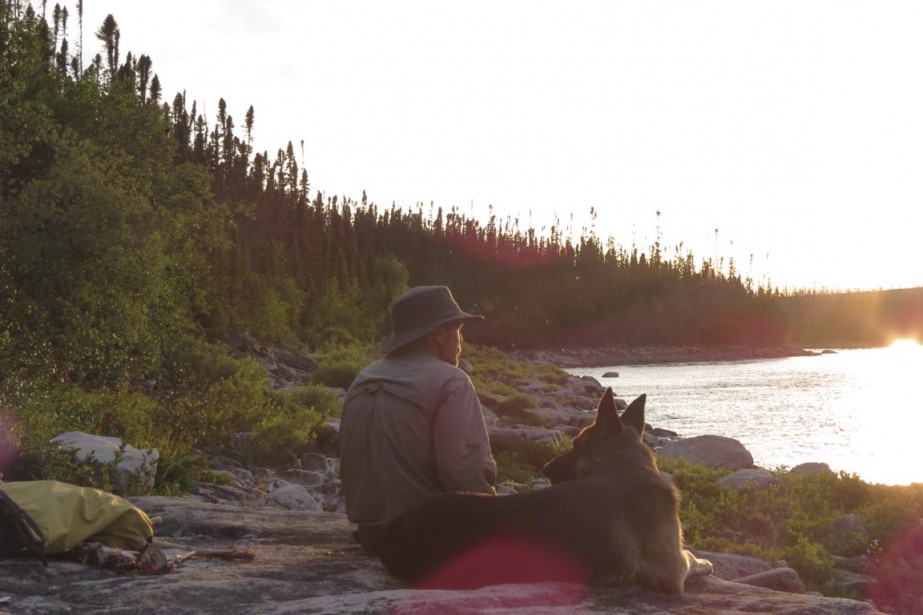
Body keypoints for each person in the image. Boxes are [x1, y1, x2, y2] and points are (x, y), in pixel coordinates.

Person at [339, 285, 497, 548]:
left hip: (370, 534)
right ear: (439, 333)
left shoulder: (364, 377)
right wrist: (494, 519)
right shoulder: (452, 381)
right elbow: (463, 473)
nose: (461, 341)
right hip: (424, 536)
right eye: (458, 330)